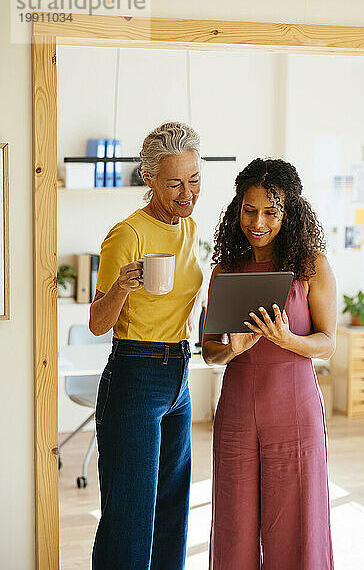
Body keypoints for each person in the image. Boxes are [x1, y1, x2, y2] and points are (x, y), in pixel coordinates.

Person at [203, 158, 337, 570]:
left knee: (296, 528)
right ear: (236, 208)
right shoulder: (226, 268)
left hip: (294, 410)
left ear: (289, 212)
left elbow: (328, 343)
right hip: (238, 411)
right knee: (234, 527)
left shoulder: (311, 266)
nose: (257, 221)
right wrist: (235, 349)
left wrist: (288, 340)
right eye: (249, 209)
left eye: (270, 212)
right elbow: (210, 351)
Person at [90, 122, 203, 570]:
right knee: (130, 514)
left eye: (194, 179)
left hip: (180, 372)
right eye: (175, 182)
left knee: (173, 508)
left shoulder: (190, 227)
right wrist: (120, 288)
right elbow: (98, 323)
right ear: (149, 179)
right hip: (135, 373)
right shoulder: (128, 234)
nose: (187, 192)